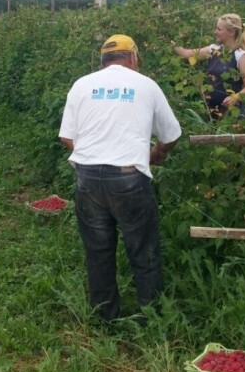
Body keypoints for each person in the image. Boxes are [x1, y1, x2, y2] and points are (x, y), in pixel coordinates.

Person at [59, 34, 182, 323]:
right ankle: (150, 320)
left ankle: (105, 318)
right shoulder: (146, 85)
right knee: (143, 250)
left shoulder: (81, 85)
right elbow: (172, 135)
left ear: (103, 61)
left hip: (87, 178)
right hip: (129, 179)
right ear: (133, 58)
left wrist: (93, 156)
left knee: (98, 252)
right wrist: (157, 152)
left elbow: (67, 136)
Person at [173, 13, 245, 119]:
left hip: (232, 116)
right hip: (212, 112)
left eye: (219, 29)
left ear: (231, 32)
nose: (215, 32)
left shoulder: (240, 56)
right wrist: (171, 45)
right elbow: (187, 54)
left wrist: (236, 97)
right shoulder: (213, 50)